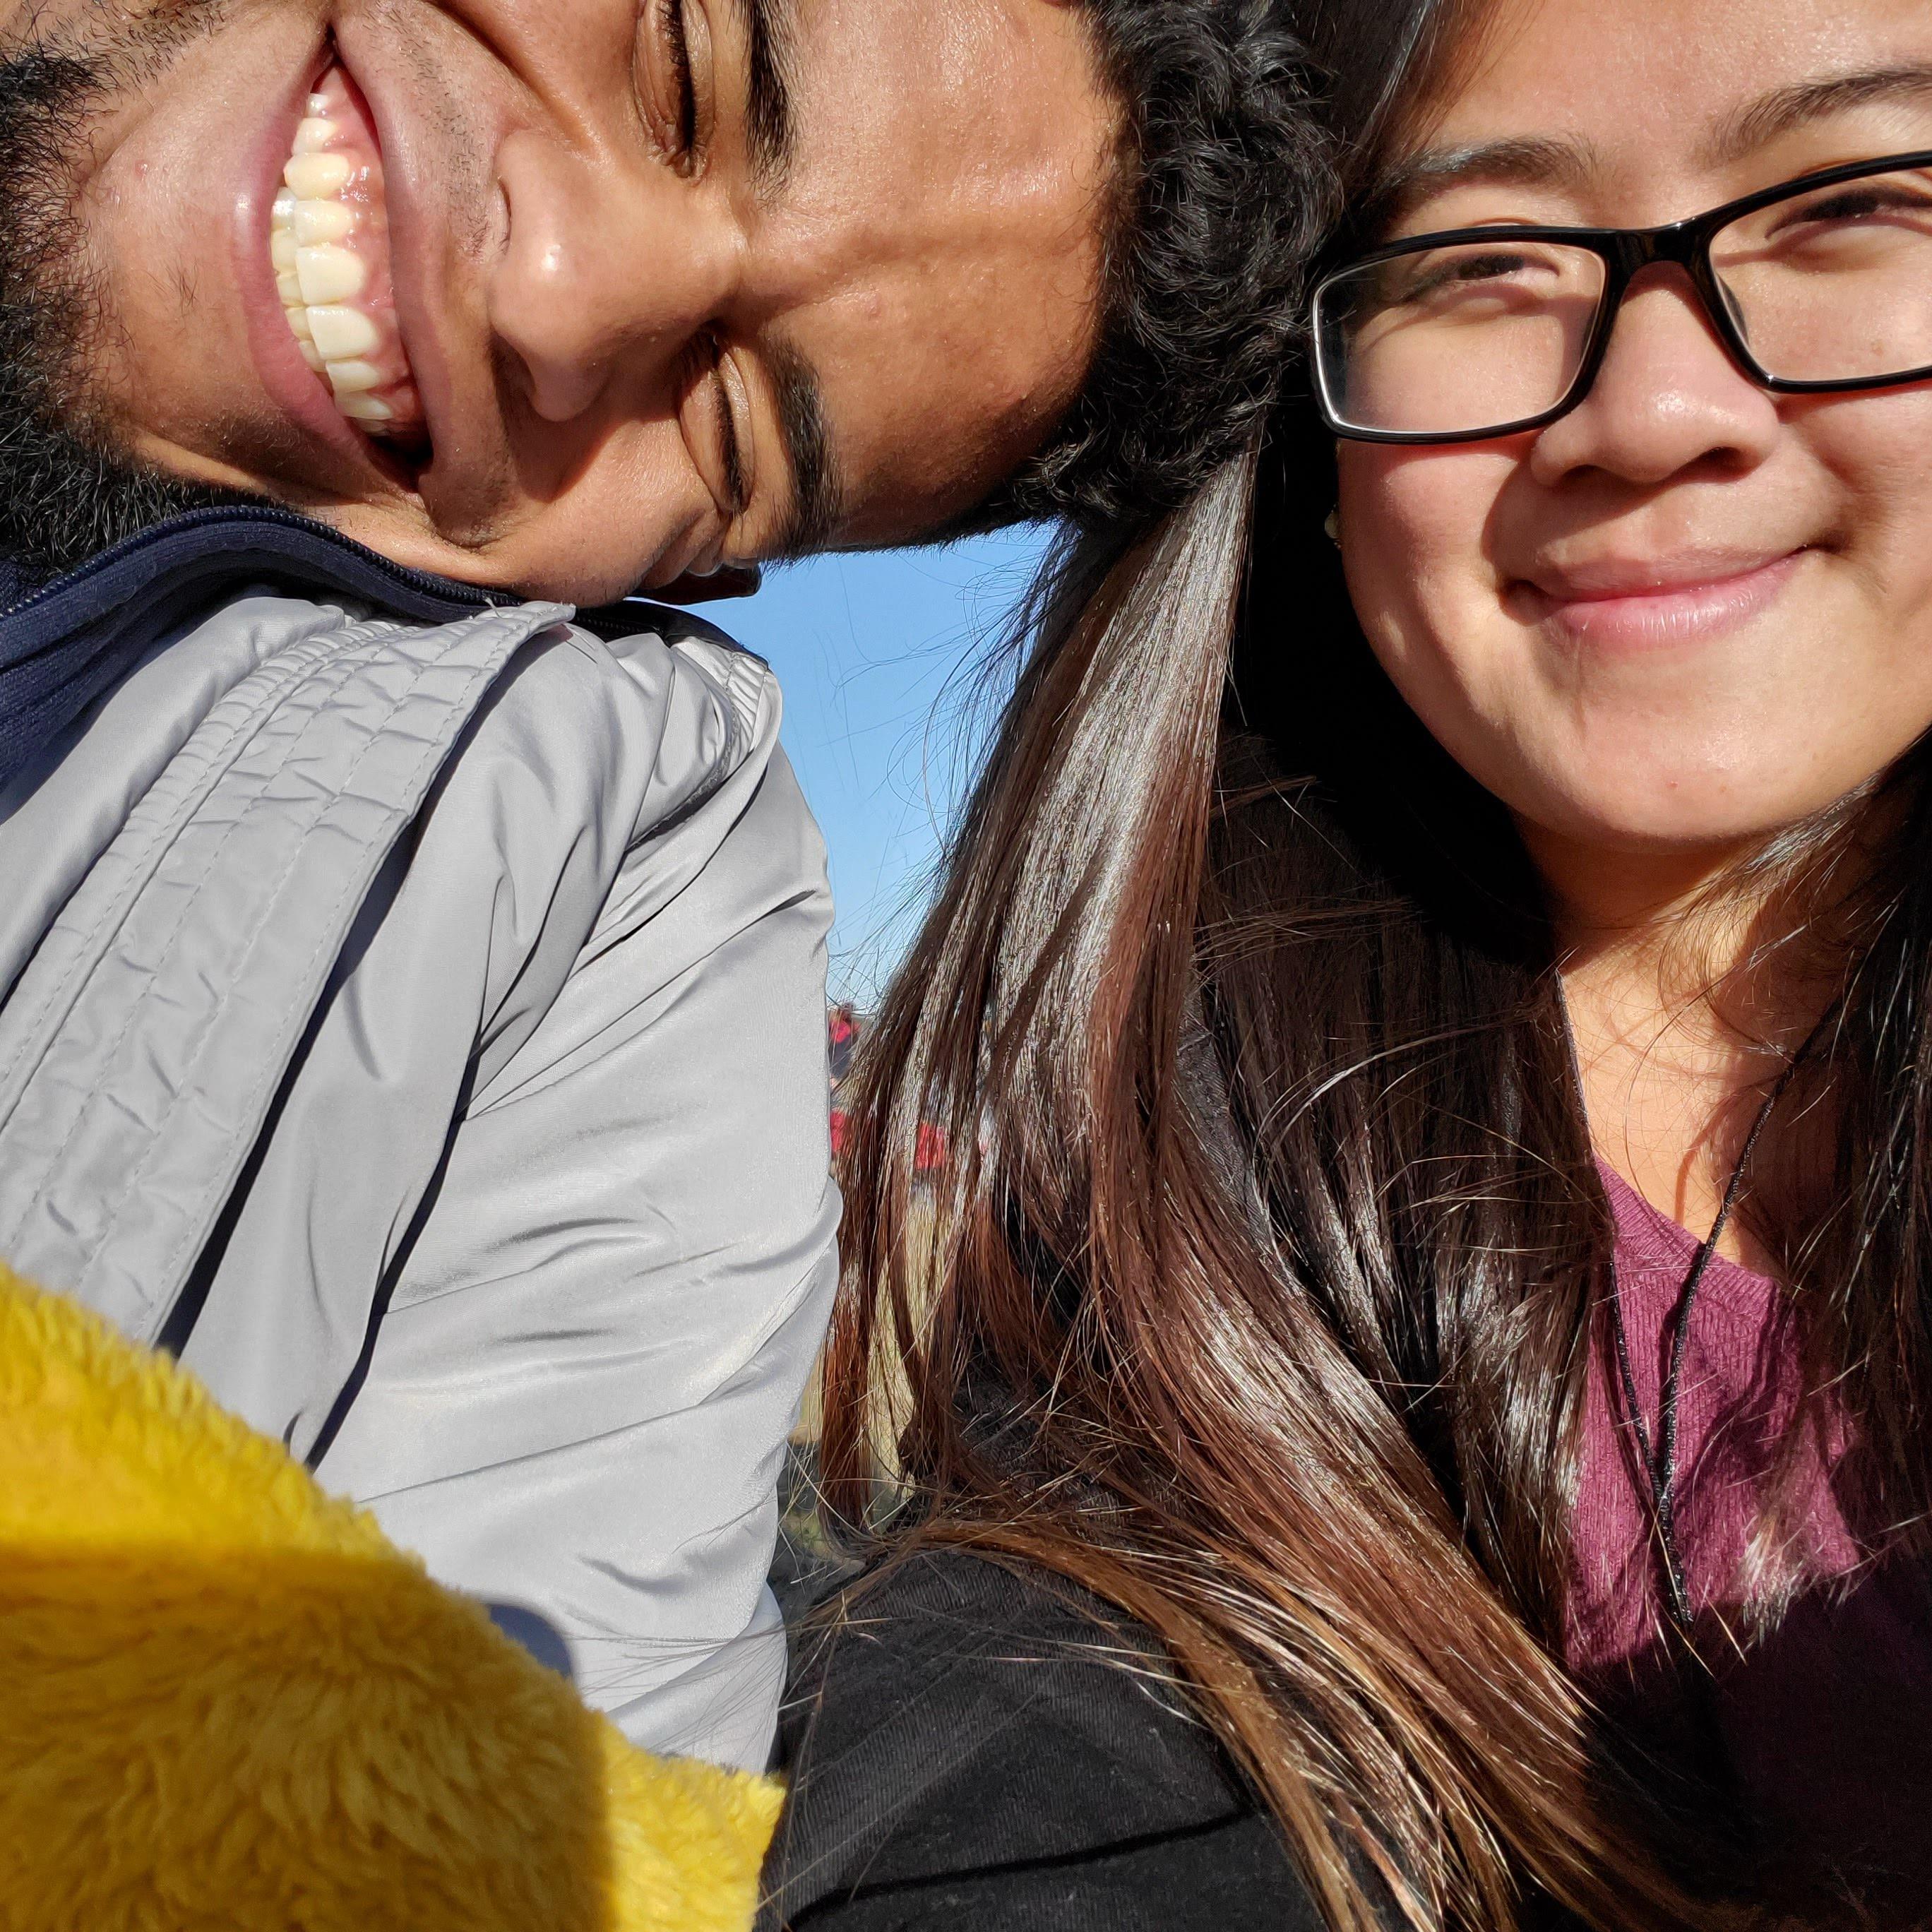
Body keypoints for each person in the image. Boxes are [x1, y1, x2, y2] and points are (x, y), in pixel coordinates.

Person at [0, 0, 1324, 1770]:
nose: (555, 305)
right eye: (689, 66)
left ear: (686, 581)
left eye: (729, 431)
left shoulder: (607, 892)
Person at [764, 0, 1932, 1921]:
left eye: (1849, 206)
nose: (1654, 413)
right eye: (1481, 261)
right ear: (1311, 430)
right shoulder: (1170, 1286)